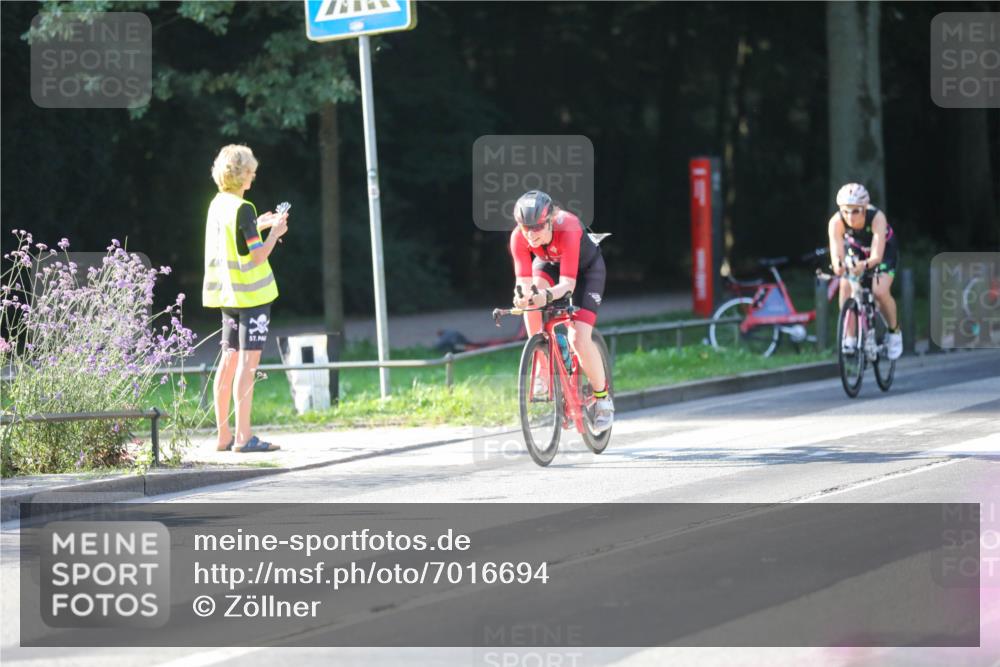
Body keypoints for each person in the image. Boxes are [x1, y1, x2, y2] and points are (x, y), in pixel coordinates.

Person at [203, 145, 288, 452]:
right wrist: (275, 233)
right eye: (251, 171)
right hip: (252, 296)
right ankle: (244, 437)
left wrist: (259, 225)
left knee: (227, 361)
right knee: (248, 365)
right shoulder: (244, 207)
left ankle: (223, 435)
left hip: (228, 296)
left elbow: (235, 239)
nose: (254, 174)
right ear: (239, 175)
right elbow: (256, 256)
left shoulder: (218, 204)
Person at [508, 190, 614, 431]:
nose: (531, 235)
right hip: (549, 265)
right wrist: (523, 297)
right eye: (526, 228)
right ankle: (543, 365)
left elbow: (568, 285)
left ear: (550, 220)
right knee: (532, 304)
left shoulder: (568, 226)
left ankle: (602, 399)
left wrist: (544, 295)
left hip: (586, 273)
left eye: (537, 228)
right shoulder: (519, 236)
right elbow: (523, 282)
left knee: (579, 338)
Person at [827, 182, 903, 360]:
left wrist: (865, 265)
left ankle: (894, 332)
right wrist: (839, 266)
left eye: (855, 211)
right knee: (845, 285)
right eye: (845, 211)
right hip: (858, 250)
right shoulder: (836, 222)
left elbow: (876, 256)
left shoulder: (876, 217)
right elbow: (836, 253)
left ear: (864, 208)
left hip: (883, 251)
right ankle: (850, 336)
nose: (850, 216)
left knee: (879, 291)